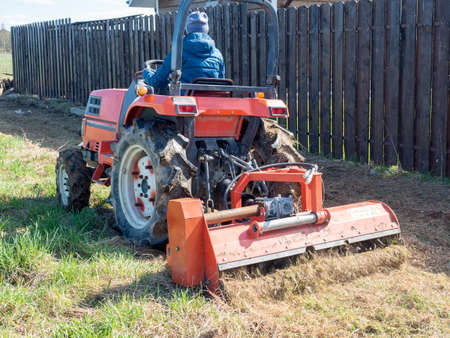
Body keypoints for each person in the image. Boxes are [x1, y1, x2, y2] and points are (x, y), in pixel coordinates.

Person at [143, 11, 225, 90]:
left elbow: (157, 82)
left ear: (187, 30)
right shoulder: (217, 54)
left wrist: (146, 72)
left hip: (186, 100)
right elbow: (221, 82)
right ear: (207, 30)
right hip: (212, 100)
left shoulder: (178, 53)